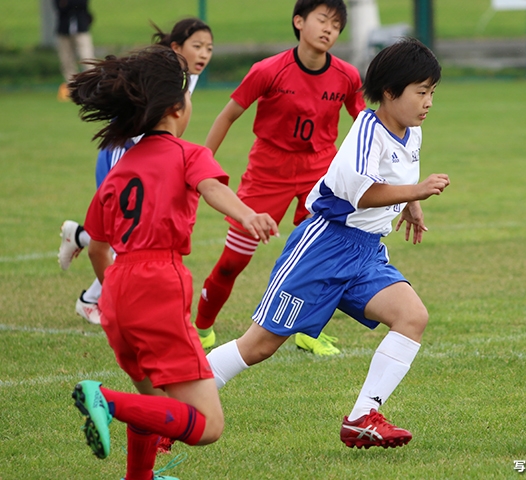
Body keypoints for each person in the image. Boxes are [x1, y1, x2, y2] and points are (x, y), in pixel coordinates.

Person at [205, 37, 450, 449]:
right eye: (421, 92)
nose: (428, 102)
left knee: (412, 317)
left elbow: (395, 182)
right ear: (390, 93)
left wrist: (411, 204)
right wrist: (417, 190)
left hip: (366, 252)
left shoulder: (411, 133)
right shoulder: (366, 131)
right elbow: (361, 193)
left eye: (432, 93)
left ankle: (361, 418)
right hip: (324, 248)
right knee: (260, 345)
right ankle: (181, 395)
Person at [68, 44, 278, 479]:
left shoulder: (120, 169)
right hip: (158, 281)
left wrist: (117, 293)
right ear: (178, 107)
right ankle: (104, 401)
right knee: (207, 426)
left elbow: (96, 247)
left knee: (154, 403)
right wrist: (247, 214)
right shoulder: (188, 153)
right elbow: (213, 188)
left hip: (116, 291)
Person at [194, 0, 366, 355]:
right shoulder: (268, 70)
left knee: (319, 260)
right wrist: (200, 166)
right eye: (322, 20)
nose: (329, 29)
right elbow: (227, 116)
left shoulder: (348, 76)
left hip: (320, 174)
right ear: (299, 21)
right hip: (267, 173)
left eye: (336, 25)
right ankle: (202, 327)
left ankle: (307, 332)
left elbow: (365, 125)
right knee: (232, 263)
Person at [58, 18, 214, 326]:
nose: (204, 54)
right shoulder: (161, 73)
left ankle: (87, 277)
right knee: (124, 236)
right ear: (175, 48)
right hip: (124, 156)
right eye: (196, 46)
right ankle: (87, 274)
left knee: (132, 236)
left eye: (209, 48)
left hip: (149, 160)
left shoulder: (186, 79)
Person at [53, 0, 95, 101]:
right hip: (64, 29)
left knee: (87, 58)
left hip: (81, 27)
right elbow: (60, 7)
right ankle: (72, 88)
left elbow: (82, 4)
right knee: (66, 60)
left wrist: (69, 3)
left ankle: (92, 86)